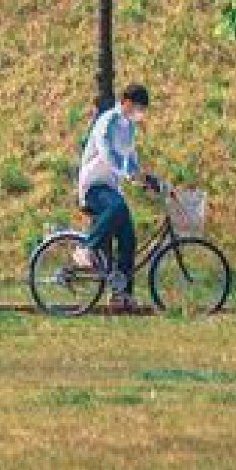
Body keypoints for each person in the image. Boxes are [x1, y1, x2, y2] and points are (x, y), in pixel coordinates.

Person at [74, 84, 159, 311]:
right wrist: (130, 171)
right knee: (118, 207)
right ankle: (87, 248)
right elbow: (107, 153)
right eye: (138, 106)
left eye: (143, 108)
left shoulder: (129, 127)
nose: (140, 112)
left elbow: (130, 160)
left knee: (128, 238)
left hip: (111, 187)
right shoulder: (108, 120)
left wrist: (144, 180)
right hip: (93, 186)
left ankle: (122, 296)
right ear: (126, 101)